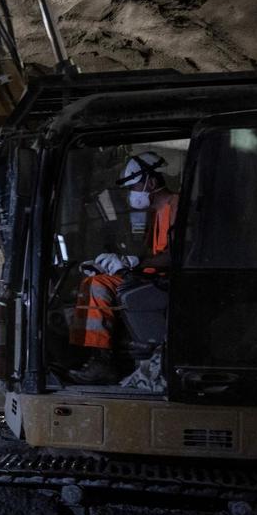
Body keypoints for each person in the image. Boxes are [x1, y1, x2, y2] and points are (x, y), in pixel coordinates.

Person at [67, 152, 178, 384]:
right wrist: (111, 267)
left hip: (169, 282)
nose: (132, 193)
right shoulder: (156, 213)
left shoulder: (176, 206)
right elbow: (153, 255)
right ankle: (92, 354)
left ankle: (102, 361)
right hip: (153, 277)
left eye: (135, 186)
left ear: (152, 182)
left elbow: (179, 255)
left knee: (98, 286)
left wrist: (133, 263)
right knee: (94, 281)